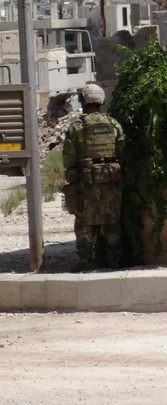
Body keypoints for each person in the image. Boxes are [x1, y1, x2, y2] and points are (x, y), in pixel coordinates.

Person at [62, 83, 125, 269]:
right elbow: (122, 151)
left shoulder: (78, 127)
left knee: (84, 221)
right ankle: (115, 260)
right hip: (111, 178)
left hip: (86, 180)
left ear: (84, 101)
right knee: (112, 219)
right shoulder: (113, 124)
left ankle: (86, 261)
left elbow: (68, 158)